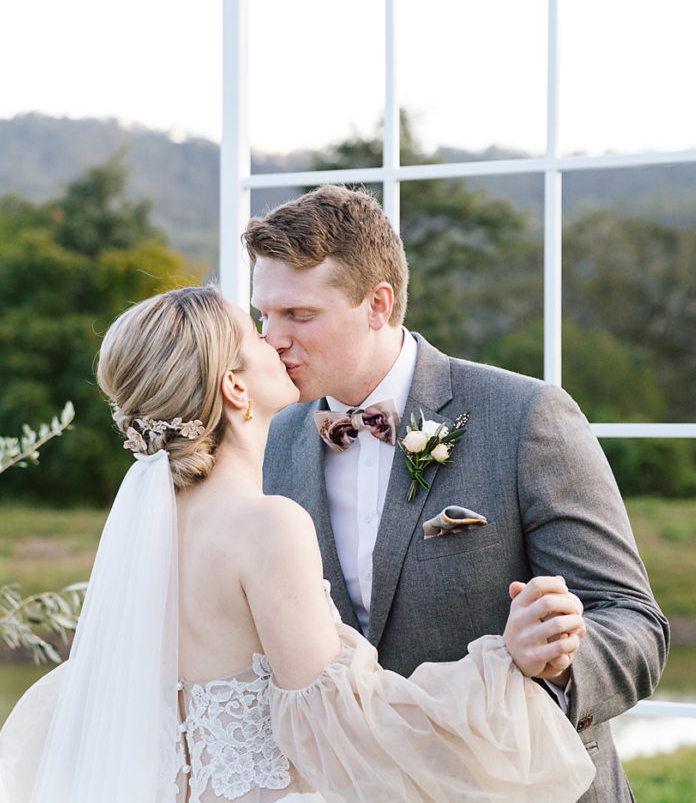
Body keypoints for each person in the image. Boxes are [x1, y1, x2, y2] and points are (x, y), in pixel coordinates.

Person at [0, 286, 595, 803]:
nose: (276, 341)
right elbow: (347, 730)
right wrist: (503, 663)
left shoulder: (154, 528)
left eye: (287, 319)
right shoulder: (266, 525)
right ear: (234, 387)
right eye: (257, 334)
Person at [244, 185, 668, 803]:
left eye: (299, 316)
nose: (271, 340)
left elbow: (635, 623)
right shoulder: (273, 440)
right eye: (265, 315)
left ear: (377, 305)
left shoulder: (525, 416)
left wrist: (555, 659)